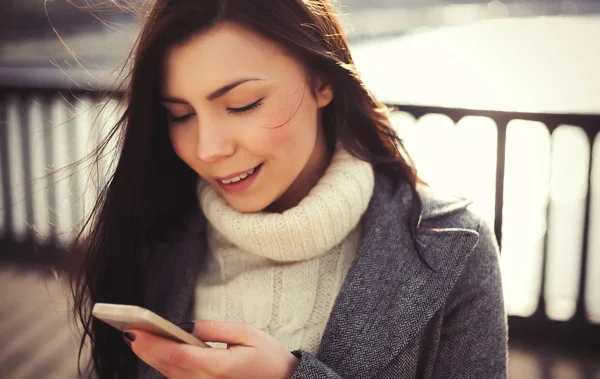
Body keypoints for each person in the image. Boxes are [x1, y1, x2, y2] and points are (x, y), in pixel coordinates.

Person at [70, 0, 508, 378]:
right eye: (180, 115)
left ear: (322, 81)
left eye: (242, 104)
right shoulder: (152, 236)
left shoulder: (451, 247)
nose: (208, 149)